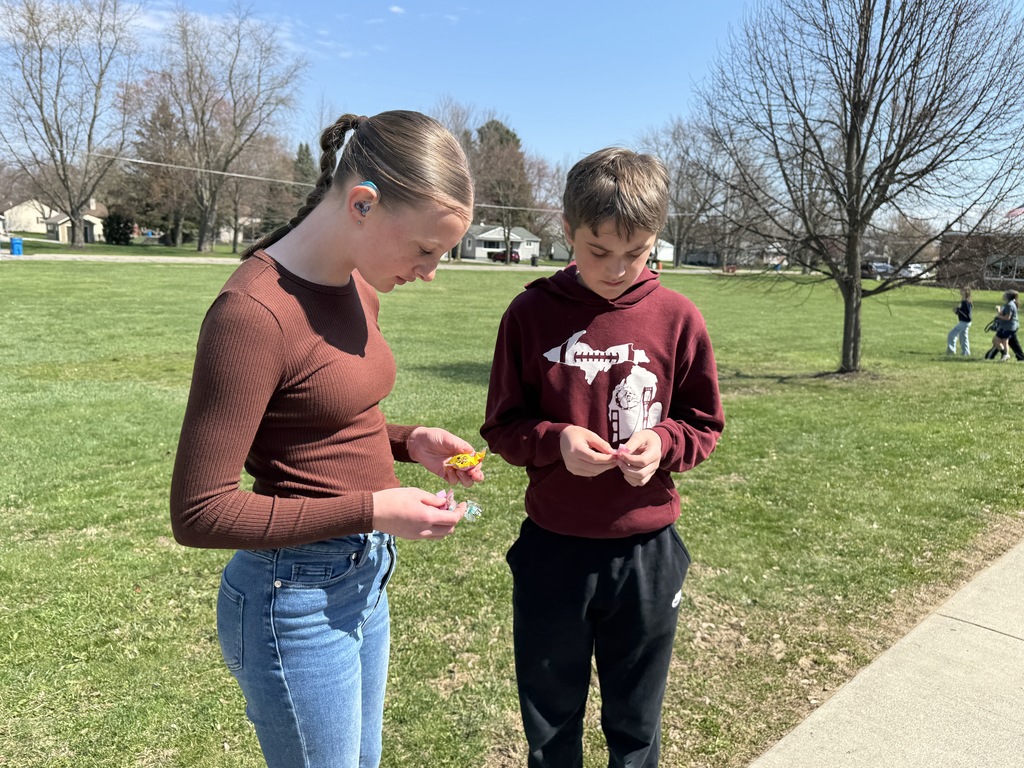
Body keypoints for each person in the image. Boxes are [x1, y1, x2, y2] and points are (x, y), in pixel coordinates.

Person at [169, 110, 483, 768]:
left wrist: (409, 441)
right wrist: (374, 508)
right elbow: (201, 512)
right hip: (295, 600)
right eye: (425, 249)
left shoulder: (354, 287)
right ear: (363, 203)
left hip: (361, 578)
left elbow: (324, 415)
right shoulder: (252, 314)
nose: (431, 271)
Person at [480, 147, 726, 768]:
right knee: (550, 721)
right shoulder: (530, 314)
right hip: (554, 549)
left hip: (646, 553)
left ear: (656, 240)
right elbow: (503, 427)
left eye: (636, 252)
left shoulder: (677, 318)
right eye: (598, 251)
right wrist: (555, 441)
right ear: (566, 230)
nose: (617, 269)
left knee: (636, 723)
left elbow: (703, 423)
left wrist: (664, 444)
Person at [984, 289, 1019, 362]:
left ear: (1008, 296)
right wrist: (999, 311)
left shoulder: (1009, 305)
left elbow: (1007, 317)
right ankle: (1005, 356)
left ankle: (1005, 354)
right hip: (1011, 327)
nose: (1003, 295)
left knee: (995, 340)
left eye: (1005, 294)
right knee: (1004, 341)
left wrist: (997, 316)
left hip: (1007, 327)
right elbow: (1006, 314)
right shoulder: (1011, 303)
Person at [947, 286, 972, 356]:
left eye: (962, 291)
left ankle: (951, 351)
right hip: (965, 322)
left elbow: (967, 314)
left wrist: (958, 310)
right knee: (963, 337)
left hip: (964, 322)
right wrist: (957, 311)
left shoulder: (966, 302)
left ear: (965, 293)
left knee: (951, 335)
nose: (960, 292)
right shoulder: (964, 301)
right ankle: (966, 352)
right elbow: (961, 312)